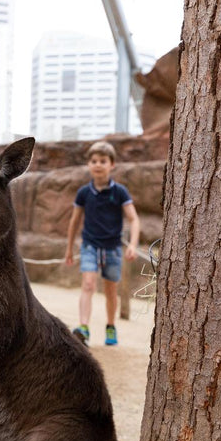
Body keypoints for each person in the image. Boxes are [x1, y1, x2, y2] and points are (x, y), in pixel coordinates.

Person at [64, 141, 139, 347]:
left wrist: (133, 244)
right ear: (89, 164)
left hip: (113, 248)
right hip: (89, 245)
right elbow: (74, 221)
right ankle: (84, 328)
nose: (98, 165)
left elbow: (133, 219)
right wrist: (69, 248)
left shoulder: (120, 191)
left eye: (103, 161)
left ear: (111, 164)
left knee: (110, 290)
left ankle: (110, 325)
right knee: (88, 284)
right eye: (94, 161)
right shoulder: (84, 193)